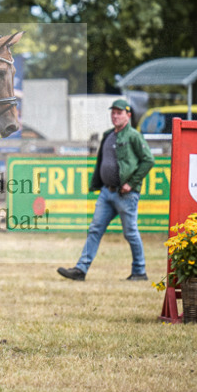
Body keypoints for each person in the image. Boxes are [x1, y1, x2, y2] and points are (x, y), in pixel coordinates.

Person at [57, 98, 154, 281]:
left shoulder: (133, 135)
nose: (115, 116)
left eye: (119, 113)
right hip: (107, 192)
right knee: (95, 229)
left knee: (130, 232)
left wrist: (131, 183)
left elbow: (148, 160)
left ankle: (139, 271)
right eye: (113, 112)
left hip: (126, 194)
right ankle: (80, 270)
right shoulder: (109, 134)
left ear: (128, 115)